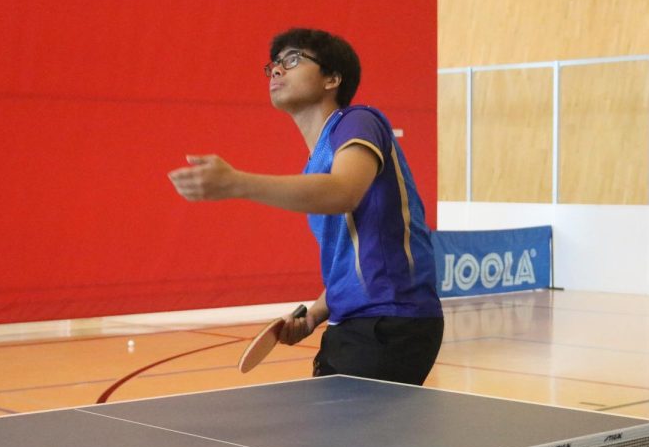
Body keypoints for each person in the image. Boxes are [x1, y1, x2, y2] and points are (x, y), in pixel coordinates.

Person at [167, 27, 443, 385]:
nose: (277, 70)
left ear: (332, 78)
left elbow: (344, 192)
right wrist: (314, 315)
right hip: (355, 322)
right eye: (274, 65)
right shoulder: (317, 166)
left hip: (390, 321)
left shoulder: (358, 121)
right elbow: (354, 260)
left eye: (293, 60)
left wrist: (236, 182)